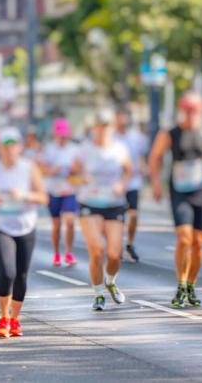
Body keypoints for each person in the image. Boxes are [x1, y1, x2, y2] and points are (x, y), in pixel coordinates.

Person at [149, 92, 202, 308]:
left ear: (200, 111)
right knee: (184, 238)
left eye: (194, 110)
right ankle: (181, 284)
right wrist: (156, 183)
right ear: (181, 110)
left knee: (199, 241)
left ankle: (191, 284)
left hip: (201, 192)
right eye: (187, 110)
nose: (190, 114)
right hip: (179, 191)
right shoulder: (171, 133)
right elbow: (155, 156)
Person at [0, 126, 48, 338]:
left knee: (21, 274)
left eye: (13, 146)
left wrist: (24, 195)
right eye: (5, 146)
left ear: (20, 147)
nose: (9, 150)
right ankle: (4, 317)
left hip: (25, 224)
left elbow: (43, 197)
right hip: (1, 224)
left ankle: (15, 318)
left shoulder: (29, 168)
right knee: (7, 272)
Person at [72, 109, 132, 311]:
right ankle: (98, 295)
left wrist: (122, 185)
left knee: (115, 254)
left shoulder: (119, 148)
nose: (103, 129)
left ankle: (110, 281)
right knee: (97, 250)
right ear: (95, 127)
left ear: (112, 127)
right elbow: (72, 175)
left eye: (107, 125)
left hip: (114, 204)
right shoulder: (85, 149)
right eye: (100, 125)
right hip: (89, 203)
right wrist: (81, 179)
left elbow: (128, 170)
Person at [40, 118, 80, 266]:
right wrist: (53, 170)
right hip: (53, 190)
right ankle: (56, 252)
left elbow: (80, 168)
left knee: (70, 222)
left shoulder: (75, 149)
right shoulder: (49, 149)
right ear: (55, 134)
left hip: (69, 189)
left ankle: (68, 252)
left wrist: (74, 171)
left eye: (65, 134)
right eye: (60, 134)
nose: (63, 137)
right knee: (56, 225)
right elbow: (41, 169)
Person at [114, 108, 148, 263]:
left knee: (133, 215)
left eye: (124, 118)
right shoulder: (111, 137)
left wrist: (143, 166)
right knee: (119, 217)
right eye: (119, 118)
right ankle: (117, 245)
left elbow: (141, 156)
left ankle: (130, 243)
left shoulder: (136, 137)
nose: (122, 121)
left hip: (133, 181)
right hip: (116, 183)